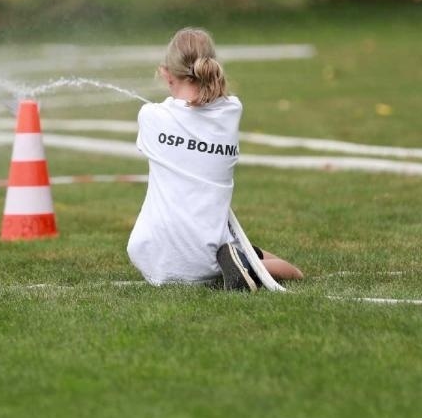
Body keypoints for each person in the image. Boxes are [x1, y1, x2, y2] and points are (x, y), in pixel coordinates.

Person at [127, 27, 303, 291]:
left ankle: (241, 264)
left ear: (166, 73)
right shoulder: (232, 110)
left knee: (257, 257)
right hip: (207, 260)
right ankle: (244, 266)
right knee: (293, 272)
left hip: (150, 255)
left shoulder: (150, 116)